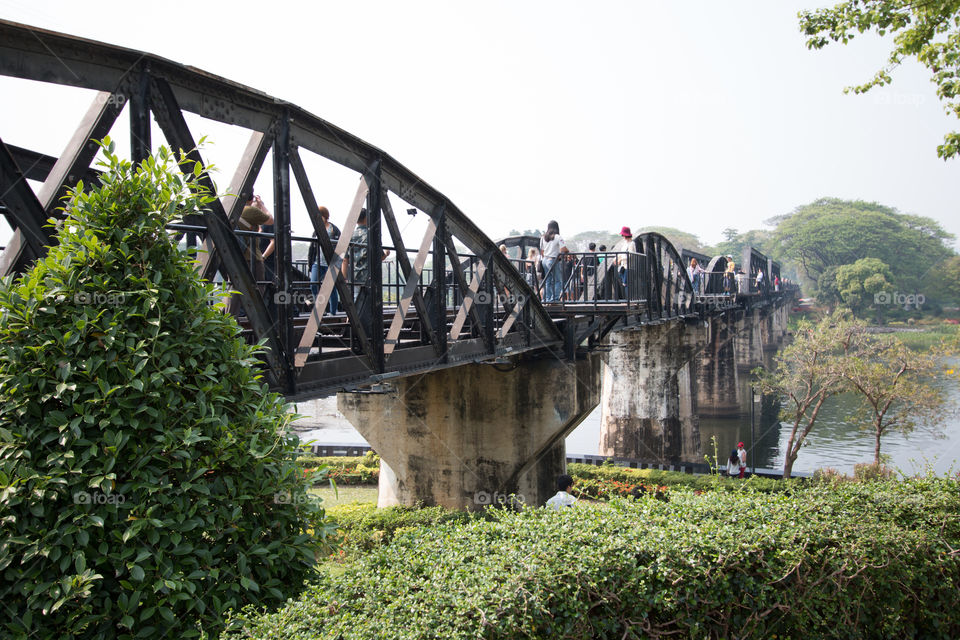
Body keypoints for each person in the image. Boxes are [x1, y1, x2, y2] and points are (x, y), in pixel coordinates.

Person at [227, 192, 273, 316]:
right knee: (258, 288)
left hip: (235, 256)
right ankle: (253, 317)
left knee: (234, 287)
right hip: (252, 258)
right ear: (251, 198)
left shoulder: (230, 209)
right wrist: (262, 205)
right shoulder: (249, 210)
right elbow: (270, 220)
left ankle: (231, 316)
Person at [342, 208, 390, 300]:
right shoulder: (372, 235)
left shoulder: (350, 235)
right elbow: (380, 257)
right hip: (369, 276)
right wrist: (386, 254)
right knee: (369, 301)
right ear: (366, 218)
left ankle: (355, 314)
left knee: (355, 299)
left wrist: (344, 278)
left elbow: (345, 259)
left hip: (354, 276)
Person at [309, 206, 341, 315]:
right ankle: (320, 310)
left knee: (331, 287)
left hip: (330, 263)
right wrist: (310, 263)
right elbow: (312, 248)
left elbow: (340, 247)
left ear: (324, 216)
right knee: (313, 284)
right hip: (317, 262)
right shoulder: (316, 230)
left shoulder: (334, 230)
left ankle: (333, 312)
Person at [538, 220, 568, 302]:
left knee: (548, 280)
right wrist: (567, 251)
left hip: (545, 260)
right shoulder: (558, 237)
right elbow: (563, 249)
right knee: (557, 280)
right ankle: (555, 298)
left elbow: (542, 251)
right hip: (553, 260)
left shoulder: (543, 238)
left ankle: (547, 298)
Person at [612, 226, 638, 295]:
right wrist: (616, 258)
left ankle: (628, 300)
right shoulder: (625, 244)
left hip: (629, 266)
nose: (622, 236)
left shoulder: (632, 243)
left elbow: (630, 255)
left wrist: (620, 259)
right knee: (624, 283)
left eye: (623, 235)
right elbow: (621, 253)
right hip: (623, 266)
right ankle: (627, 299)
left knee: (626, 283)